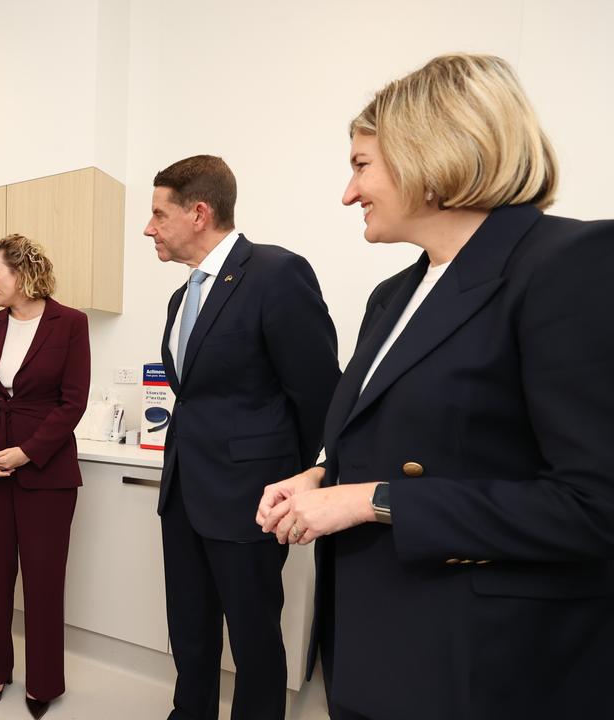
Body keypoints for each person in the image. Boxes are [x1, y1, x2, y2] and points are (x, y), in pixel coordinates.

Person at [257, 53, 614, 720]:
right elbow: (398, 439)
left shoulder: (569, 266)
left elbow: (594, 505)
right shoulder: (391, 295)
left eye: (361, 165)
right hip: (374, 643)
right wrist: (319, 476)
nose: (347, 192)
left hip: (482, 666)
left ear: (432, 155)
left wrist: (373, 501)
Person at [145, 156, 340, 720]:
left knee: (254, 640)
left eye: (159, 214)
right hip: (183, 493)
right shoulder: (180, 299)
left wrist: (289, 481)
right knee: (190, 630)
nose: (149, 228)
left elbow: (318, 395)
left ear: (198, 213)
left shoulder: (277, 274)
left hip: (250, 499)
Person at [0, 234, 90, 719]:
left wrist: (28, 453)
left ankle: (43, 683)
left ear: (22, 272)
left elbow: (73, 401)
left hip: (46, 468)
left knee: (43, 578)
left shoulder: (70, 323)